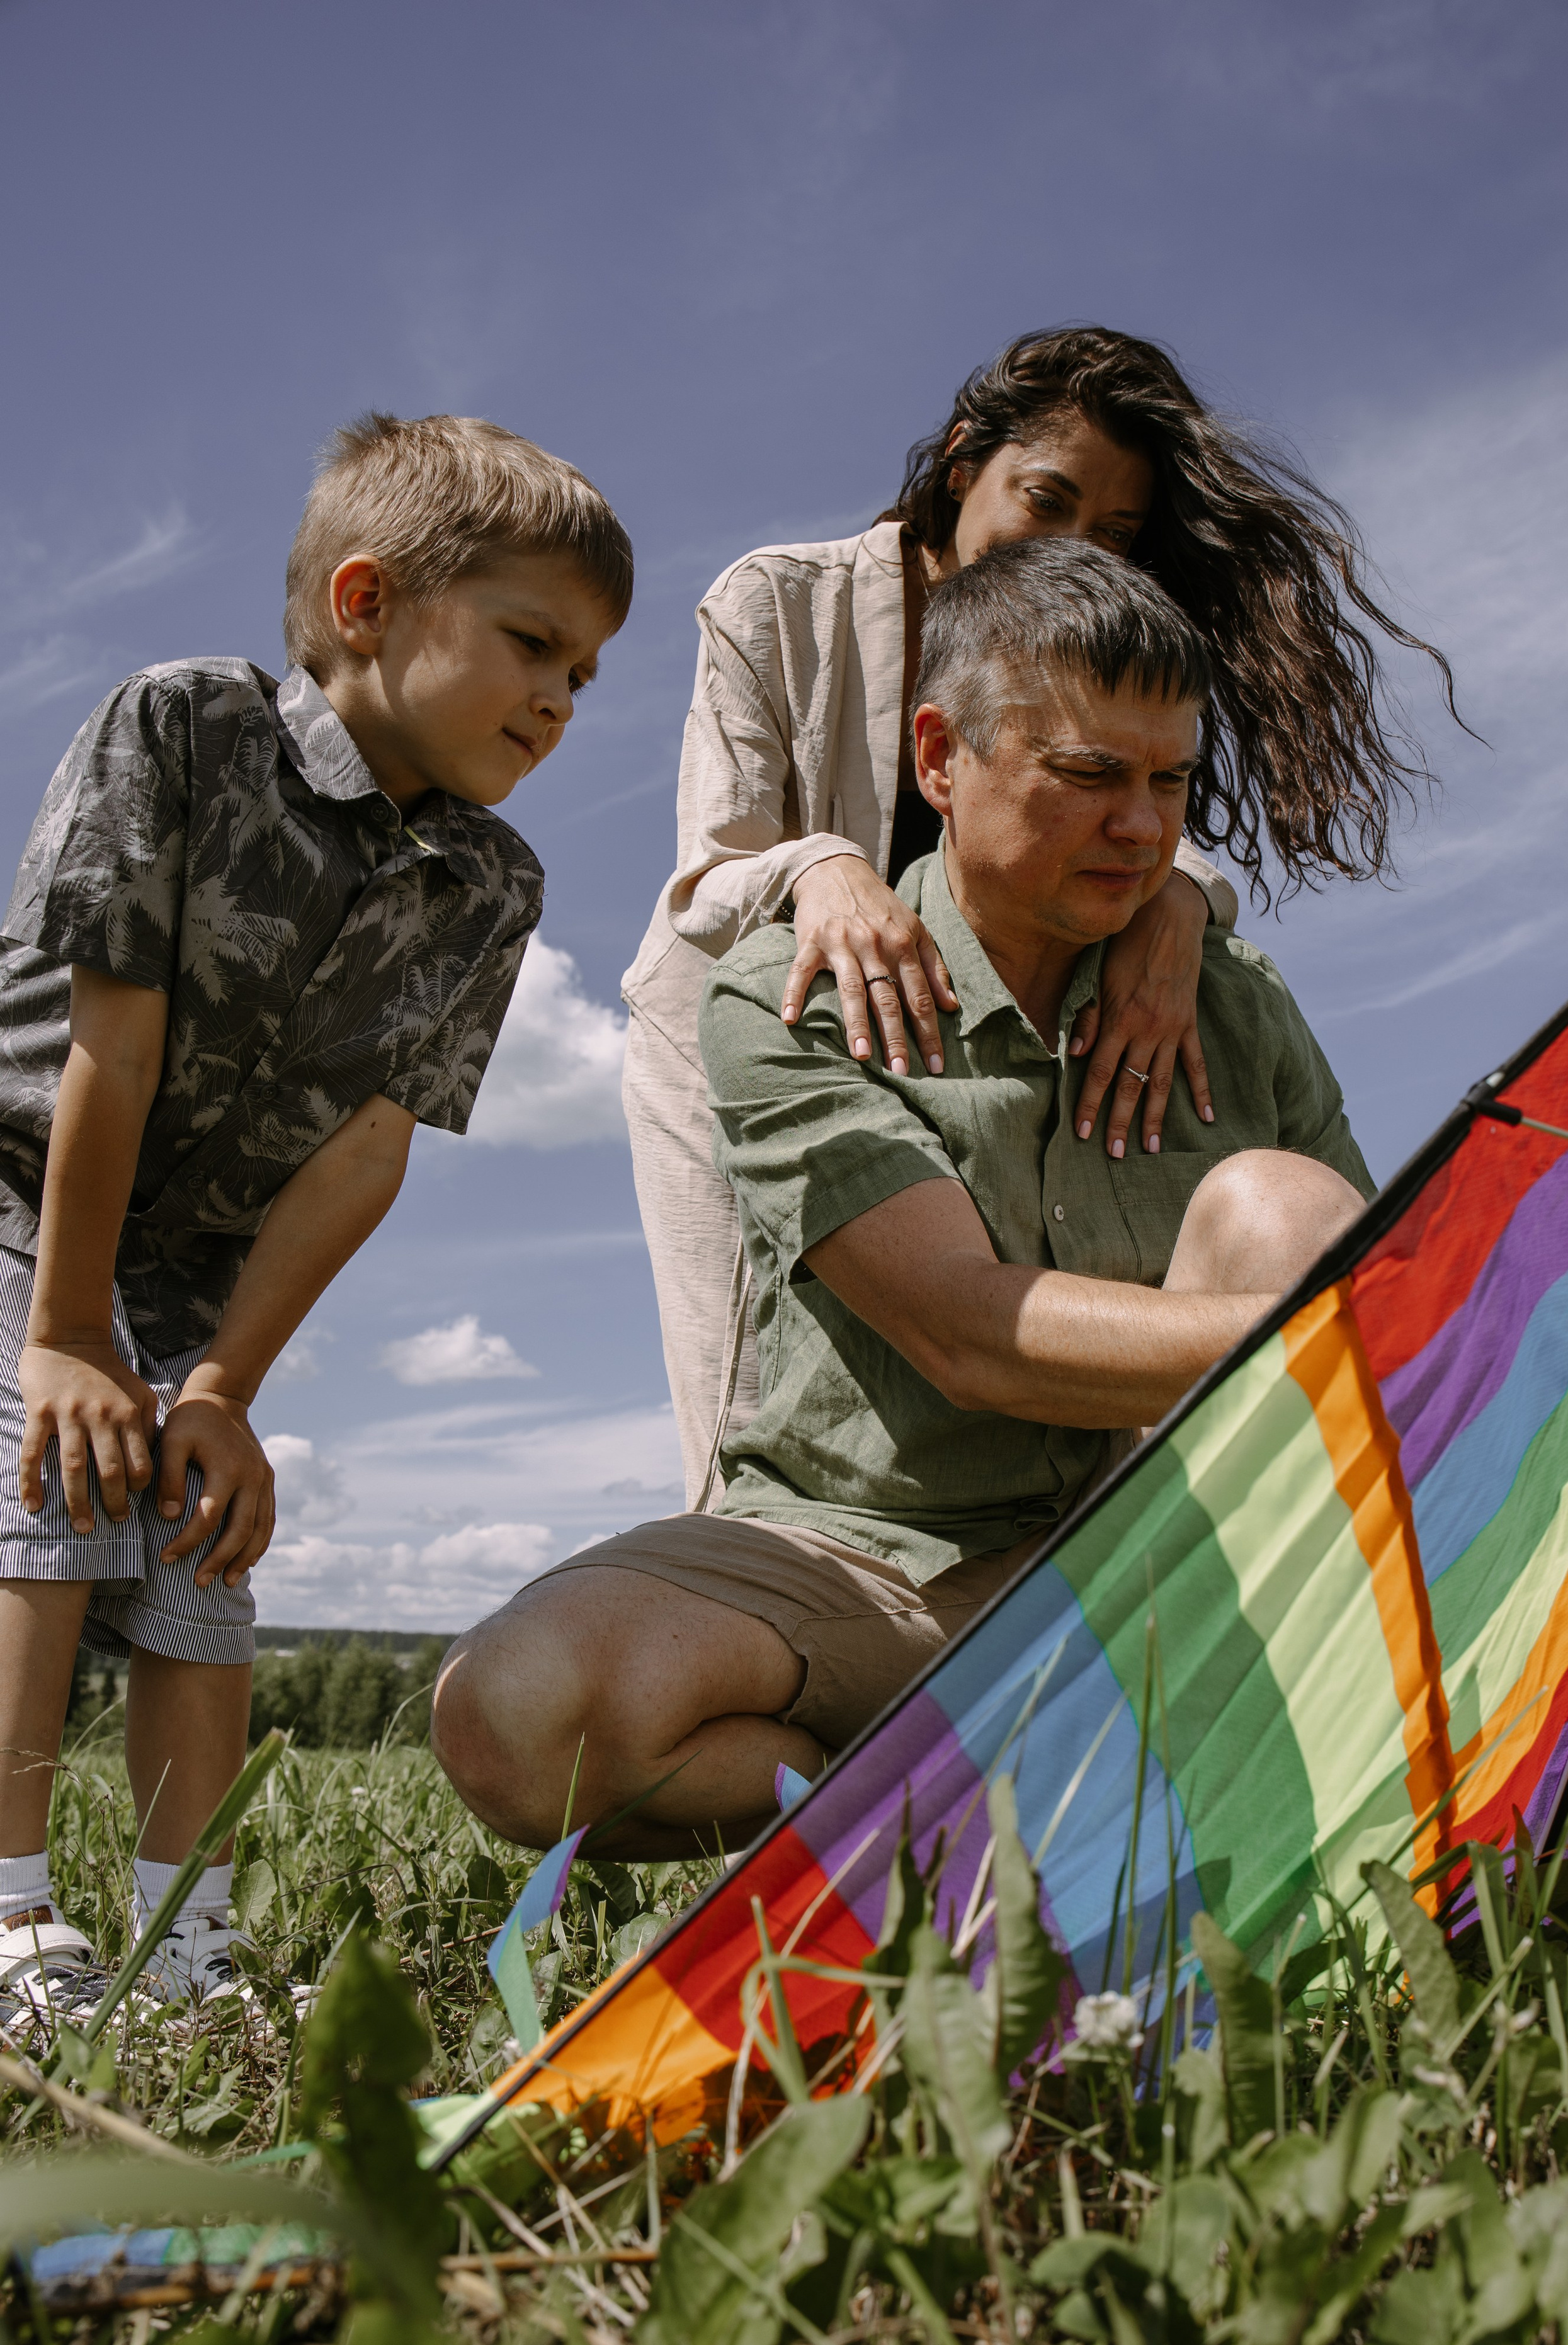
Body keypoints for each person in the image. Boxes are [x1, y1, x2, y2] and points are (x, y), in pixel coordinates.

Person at [435, 537, 1371, 1857]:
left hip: (1170, 1550)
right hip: (868, 1563)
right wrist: (1346, 1334)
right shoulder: (785, 994)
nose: (1145, 828)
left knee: (1276, 1203)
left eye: (1168, 781)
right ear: (940, 758)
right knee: (514, 1711)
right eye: (1090, 775)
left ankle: (1169, 1755)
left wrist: (1384, 1315)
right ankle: (943, 1810)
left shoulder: (1231, 997)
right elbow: (965, 1334)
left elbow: (1388, 1295)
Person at [0, 413, 632, 2018]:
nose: (560, 701)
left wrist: (218, 1390)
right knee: (56, 1503)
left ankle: (181, 1943)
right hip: (25, 1185)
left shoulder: (492, 884)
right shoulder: (190, 729)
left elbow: (364, 1149)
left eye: (586, 673)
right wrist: (71, 1333)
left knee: (199, 1554)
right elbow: (111, 1045)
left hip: (202, 1252)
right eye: (531, 643)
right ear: (366, 602)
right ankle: (10, 1925)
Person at [621, 325, 1453, 1511]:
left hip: (986, 1040)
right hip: (769, 1026)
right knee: (756, 1407)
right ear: (963, 464)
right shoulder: (778, 599)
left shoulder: (1098, 663)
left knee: (1050, 1388)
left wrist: (1180, 900)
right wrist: (826, 871)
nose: (1075, 547)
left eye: (1113, 535)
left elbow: (1123, 807)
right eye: (1045, 499)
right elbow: (711, 869)